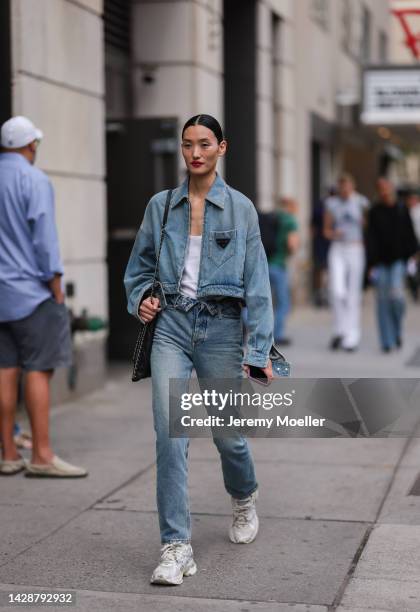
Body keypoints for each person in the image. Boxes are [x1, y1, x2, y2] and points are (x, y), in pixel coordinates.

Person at [124, 114, 274, 585]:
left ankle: (244, 495)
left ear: (221, 148)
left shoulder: (241, 209)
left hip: (221, 329)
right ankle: (175, 547)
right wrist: (140, 300)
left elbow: (259, 285)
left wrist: (260, 348)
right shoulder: (161, 206)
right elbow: (139, 265)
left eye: (204, 144)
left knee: (228, 435)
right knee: (170, 435)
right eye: (187, 144)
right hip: (169, 325)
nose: (195, 153)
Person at [0, 116, 87, 478]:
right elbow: (43, 238)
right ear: (31, 145)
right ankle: (41, 455)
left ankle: (7, 453)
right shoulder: (33, 179)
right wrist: (56, 287)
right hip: (31, 293)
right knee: (38, 370)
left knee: (4, 371)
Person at [367, 178, 419, 352]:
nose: (384, 192)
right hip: (380, 262)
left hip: (398, 261)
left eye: (386, 188)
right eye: (381, 189)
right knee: (382, 301)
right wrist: (371, 264)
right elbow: (370, 238)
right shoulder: (374, 211)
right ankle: (387, 341)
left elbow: (410, 235)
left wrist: (413, 255)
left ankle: (397, 329)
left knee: (396, 297)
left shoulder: (402, 209)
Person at [324, 173, 369, 352]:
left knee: (353, 293)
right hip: (338, 248)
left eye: (347, 186)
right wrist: (335, 234)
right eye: (341, 187)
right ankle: (340, 329)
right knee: (337, 291)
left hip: (355, 248)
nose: (344, 190)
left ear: (352, 187)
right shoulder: (331, 203)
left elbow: (368, 227)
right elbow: (326, 230)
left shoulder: (361, 202)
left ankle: (352, 335)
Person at [267, 197, 299, 345]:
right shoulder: (290, 221)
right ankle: (277, 335)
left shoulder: (271, 218)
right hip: (279, 265)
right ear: (291, 206)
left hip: (264, 265)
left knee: (259, 301)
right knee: (283, 303)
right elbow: (292, 244)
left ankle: (247, 327)